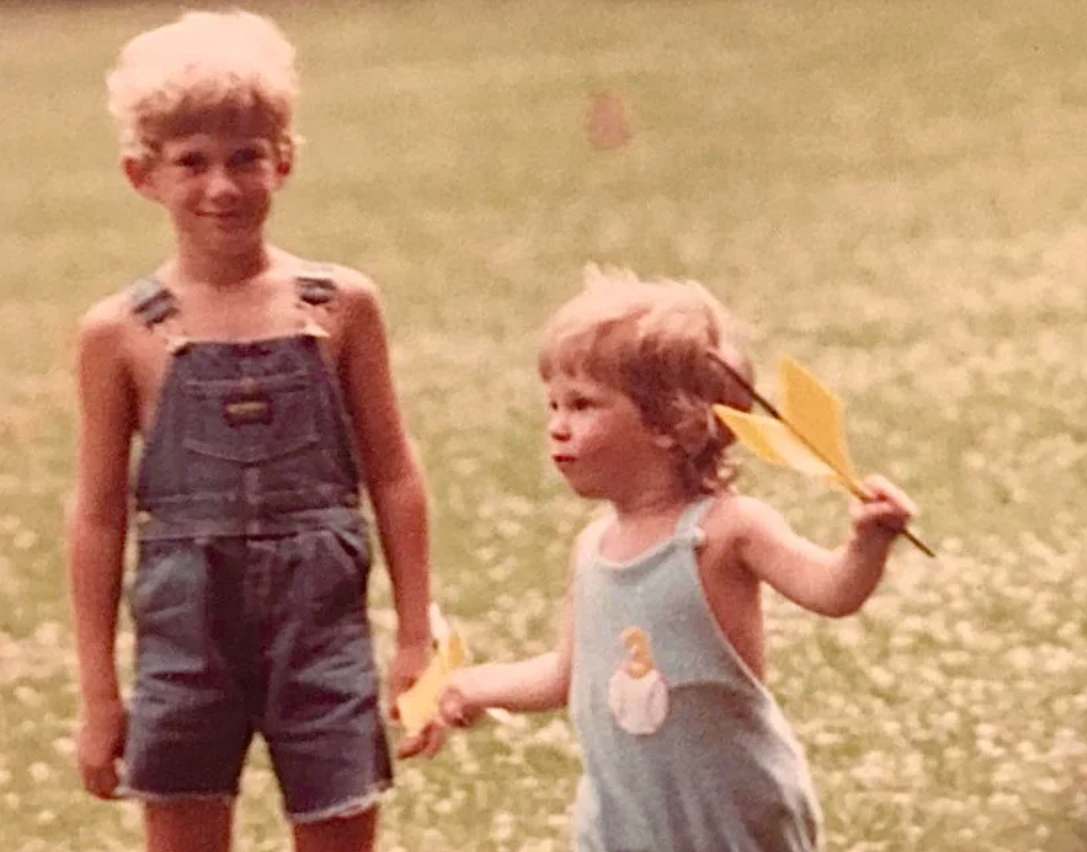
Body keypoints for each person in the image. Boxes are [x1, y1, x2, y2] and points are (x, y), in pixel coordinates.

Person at [65, 11, 442, 852]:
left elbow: (393, 475)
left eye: (245, 157)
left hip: (322, 628)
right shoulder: (118, 333)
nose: (222, 186)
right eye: (191, 162)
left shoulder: (340, 307)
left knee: (340, 827)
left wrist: (416, 637)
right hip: (185, 633)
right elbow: (96, 515)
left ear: (285, 160)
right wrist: (99, 694)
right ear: (142, 175)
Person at [438, 265, 917, 851]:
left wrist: (867, 543)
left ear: (669, 424)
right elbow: (569, 674)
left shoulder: (726, 530)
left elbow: (832, 591)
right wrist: (475, 686)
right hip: (627, 822)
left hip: (729, 820)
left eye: (583, 405)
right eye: (553, 405)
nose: (557, 427)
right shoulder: (592, 548)